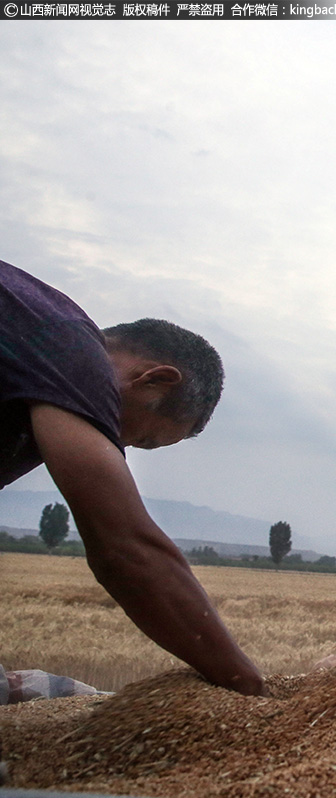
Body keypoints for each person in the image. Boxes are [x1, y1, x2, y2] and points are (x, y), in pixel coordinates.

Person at [0, 259, 265, 696]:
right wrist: (247, 686)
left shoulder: (36, 365)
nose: (111, 445)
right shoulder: (74, 353)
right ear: (155, 379)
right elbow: (125, 551)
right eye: (140, 438)